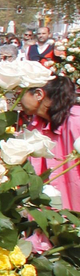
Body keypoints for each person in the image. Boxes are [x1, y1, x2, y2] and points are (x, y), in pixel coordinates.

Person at [23, 76, 80, 209]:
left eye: (22, 92)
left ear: (38, 94)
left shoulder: (76, 121)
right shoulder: (36, 125)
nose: (18, 98)